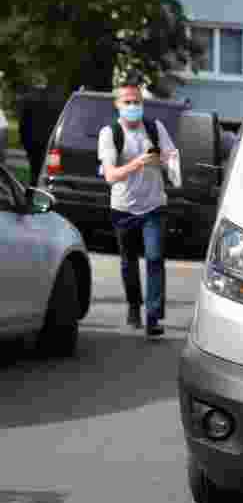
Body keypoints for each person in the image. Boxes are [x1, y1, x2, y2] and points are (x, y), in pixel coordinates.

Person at [98, 80, 179, 337]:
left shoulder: (155, 128)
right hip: (123, 208)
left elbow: (171, 156)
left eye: (137, 102)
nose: (133, 106)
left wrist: (167, 161)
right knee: (128, 262)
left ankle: (153, 317)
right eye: (127, 102)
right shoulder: (110, 133)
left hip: (154, 205)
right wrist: (139, 162)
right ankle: (134, 305)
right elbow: (110, 176)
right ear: (117, 105)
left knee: (155, 258)